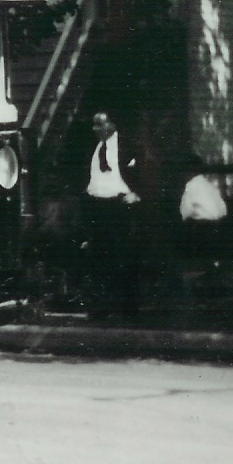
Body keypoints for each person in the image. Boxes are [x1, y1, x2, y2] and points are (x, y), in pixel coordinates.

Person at [82, 111, 145, 319]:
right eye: (93, 125)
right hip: (98, 207)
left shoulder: (128, 145)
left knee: (124, 256)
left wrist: (138, 193)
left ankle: (128, 308)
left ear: (112, 124)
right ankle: (101, 308)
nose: (94, 129)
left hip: (120, 207)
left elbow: (149, 170)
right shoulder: (94, 148)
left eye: (99, 124)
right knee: (99, 258)